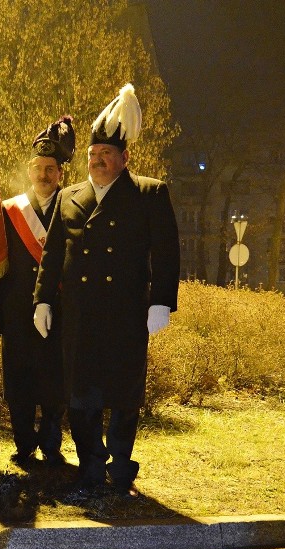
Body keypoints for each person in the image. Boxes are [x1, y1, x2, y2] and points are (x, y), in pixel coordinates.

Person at [33, 84, 180, 497]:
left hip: (126, 314)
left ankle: (120, 463)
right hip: (78, 315)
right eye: (93, 156)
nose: (97, 162)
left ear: (124, 158)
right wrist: (42, 299)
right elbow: (52, 253)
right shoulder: (68, 196)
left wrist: (161, 303)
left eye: (106, 156)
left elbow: (167, 254)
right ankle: (91, 464)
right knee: (80, 395)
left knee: (123, 394)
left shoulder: (149, 193)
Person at [0, 116, 75, 467]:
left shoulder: (74, 209)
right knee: (19, 381)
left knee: (56, 379)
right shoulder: (10, 211)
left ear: (60, 173)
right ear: (29, 170)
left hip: (61, 310)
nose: (43, 175)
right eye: (38, 168)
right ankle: (23, 442)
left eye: (50, 169)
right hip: (17, 310)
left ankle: (51, 442)